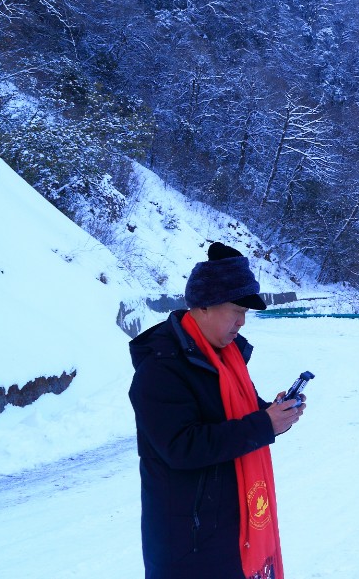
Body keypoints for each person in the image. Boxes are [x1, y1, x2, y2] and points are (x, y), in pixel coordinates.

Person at [129, 242, 305, 579]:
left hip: (233, 528)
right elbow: (181, 447)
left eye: (246, 313)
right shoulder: (162, 366)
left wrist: (274, 414)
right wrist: (262, 424)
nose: (242, 322)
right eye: (236, 310)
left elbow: (243, 418)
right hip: (188, 542)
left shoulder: (228, 358)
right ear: (204, 306)